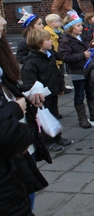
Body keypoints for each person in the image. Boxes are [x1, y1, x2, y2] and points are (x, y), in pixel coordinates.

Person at [1, 16, 49, 215]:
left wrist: (26, 95)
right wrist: (14, 109)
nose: (4, 21)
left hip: (19, 156)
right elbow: (6, 132)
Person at [21, 29, 73, 152]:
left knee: (54, 114)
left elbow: (55, 73)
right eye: (48, 40)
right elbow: (30, 83)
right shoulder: (31, 62)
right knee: (44, 118)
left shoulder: (49, 56)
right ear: (39, 43)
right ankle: (47, 141)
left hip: (52, 92)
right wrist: (36, 96)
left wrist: (60, 87)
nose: (51, 42)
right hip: (42, 96)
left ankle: (57, 137)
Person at [58, 11, 94, 128]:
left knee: (91, 93)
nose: (81, 27)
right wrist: (82, 55)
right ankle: (82, 118)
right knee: (79, 95)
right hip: (77, 72)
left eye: (81, 25)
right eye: (78, 25)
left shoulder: (83, 37)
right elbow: (65, 57)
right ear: (70, 28)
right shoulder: (65, 41)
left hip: (88, 70)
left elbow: (89, 47)